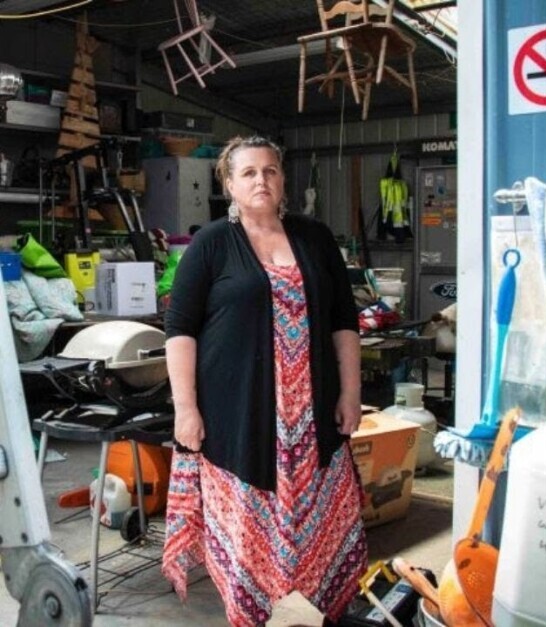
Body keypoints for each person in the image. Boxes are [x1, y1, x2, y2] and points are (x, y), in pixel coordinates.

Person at [161, 136, 367, 626]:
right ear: (229, 184)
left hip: (313, 420)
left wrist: (351, 392)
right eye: (249, 173)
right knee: (248, 546)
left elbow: (344, 321)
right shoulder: (212, 243)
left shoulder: (315, 237)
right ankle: (253, 614)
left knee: (325, 534)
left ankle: (315, 614)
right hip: (239, 420)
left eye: (270, 171)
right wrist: (185, 408)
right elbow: (180, 329)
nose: (261, 180)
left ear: (282, 180)